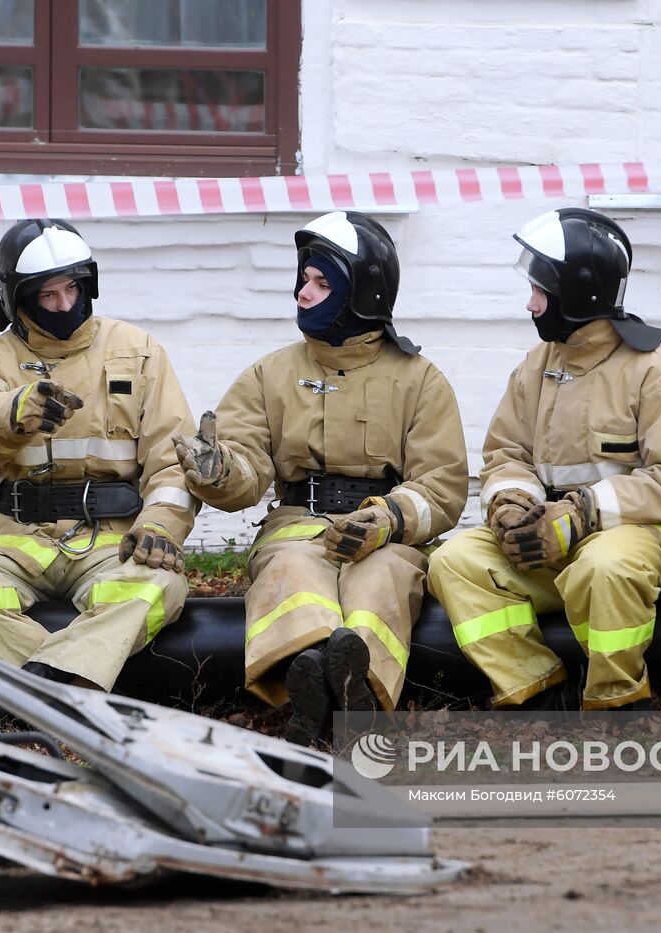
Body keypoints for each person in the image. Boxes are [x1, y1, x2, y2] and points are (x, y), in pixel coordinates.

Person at [176, 211, 468, 745]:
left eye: (321, 282)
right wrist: (219, 473)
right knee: (290, 570)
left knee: (381, 581)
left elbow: (442, 486)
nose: (303, 294)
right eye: (304, 280)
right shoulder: (270, 373)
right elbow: (246, 463)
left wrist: (387, 520)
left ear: (363, 294)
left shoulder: (420, 381)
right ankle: (309, 682)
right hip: (296, 526)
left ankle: (355, 698)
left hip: (386, 538)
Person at [427, 208, 661, 712]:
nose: (530, 304)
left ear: (578, 290)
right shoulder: (537, 366)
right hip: (553, 537)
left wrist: (581, 513)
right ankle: (536, 689)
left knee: (601, 566)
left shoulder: (659, 377)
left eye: (540, 291)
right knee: (455, 561)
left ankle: (618, 701)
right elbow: (506, 453)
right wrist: (510, 504)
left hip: (647, 537)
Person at [0, 218, 197, 734]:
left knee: (158, 584)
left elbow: (172, 457)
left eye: (72, 289)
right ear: (16, 300)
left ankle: (24, 697)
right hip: (16, 536)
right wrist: (16, 409)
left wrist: (160, 525)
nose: (66, 305)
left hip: (113, 538)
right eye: (49, 295)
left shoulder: (138, 350)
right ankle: (73, 698)